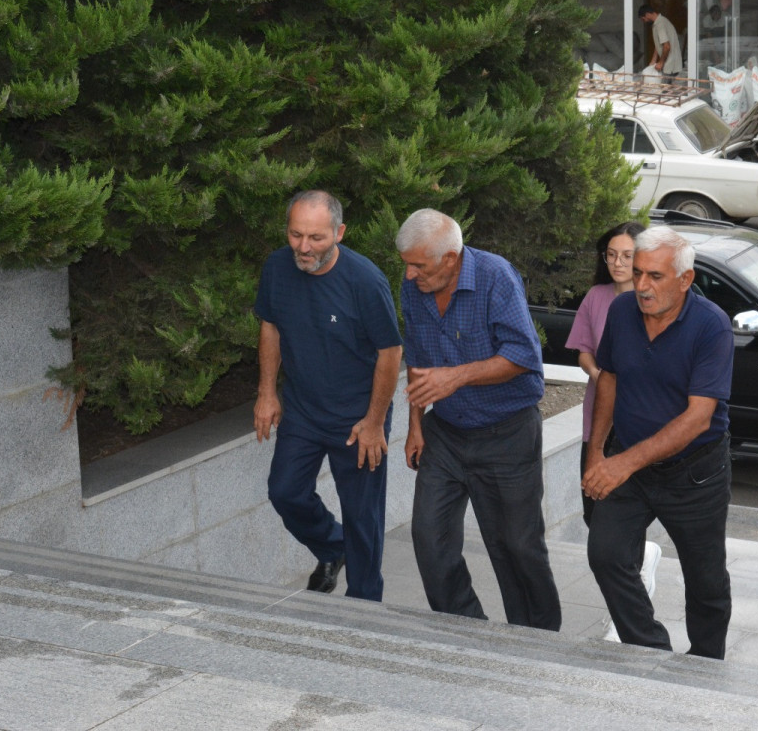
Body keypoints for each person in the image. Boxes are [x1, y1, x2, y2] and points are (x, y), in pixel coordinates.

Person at [397, 208, 562, 631]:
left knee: (517, 546)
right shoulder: (413, 286)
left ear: (450, 259)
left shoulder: (495, 277)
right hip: (446, 435)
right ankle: (467, 629)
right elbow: (416, 360)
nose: (411, 274)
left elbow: (524, 357)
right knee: (429, 539)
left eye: (419, 265)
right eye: (407, 264)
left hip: (507, 433)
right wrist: (416, 424)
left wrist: (457, 376)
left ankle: (538, 639)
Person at [584, 226, 734, 659]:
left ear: (685, 280)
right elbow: (608, 379)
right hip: (628, 462)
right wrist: (597, 451)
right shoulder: (621, 311)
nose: (642, 286)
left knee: (705, 580)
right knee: (606, 554)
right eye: (638, 273)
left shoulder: (712, 326)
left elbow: (697, 417)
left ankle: (706, 665)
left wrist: (621, 463)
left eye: (655, 277)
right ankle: (649, 649)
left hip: (694, 472)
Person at [253, 190, 402, 601]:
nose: (303, 247)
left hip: (358, 417)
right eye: (295, 234)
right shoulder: (277, 267)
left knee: (363, 517)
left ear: (339, 232)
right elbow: (270, 327)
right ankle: (332, 546)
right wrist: (267, 392)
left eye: (316, 238)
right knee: (285, 491)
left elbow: (390, 354)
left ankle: (365, 604)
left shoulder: (365, 281)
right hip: (302, 410)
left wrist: (374, 422)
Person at [564, 221, 661, 642]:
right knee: (594, 511)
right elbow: (584, 351)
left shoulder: (656, 301)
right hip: (599, 419)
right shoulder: (596, 298)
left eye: (627, 255)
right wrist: (602, 374)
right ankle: (639, 566)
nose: (619, 263)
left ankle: (629, 604)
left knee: (624, 519)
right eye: (612, 256)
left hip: (640, 426)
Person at [638, 4, 682, 83]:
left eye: (643, 19)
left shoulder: (659, 24)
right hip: (671, 64)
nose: (644, 22)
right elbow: (660, 43)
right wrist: (654, 60)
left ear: (647, 14)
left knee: (665, 92)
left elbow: (666, 46)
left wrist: (661, 63)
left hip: (670, 66)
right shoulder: (661, 21)